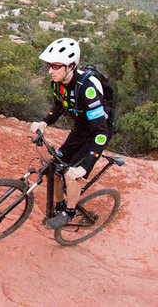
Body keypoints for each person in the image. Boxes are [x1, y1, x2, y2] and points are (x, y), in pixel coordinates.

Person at [30, 37, 112, 229]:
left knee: (71, 174)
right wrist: (44, 122)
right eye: (50, 66)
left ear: (71, 66)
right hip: (80, 130)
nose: (50, 71)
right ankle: (59, 205)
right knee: (54, 168)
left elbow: (101, 133)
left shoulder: (87, 88)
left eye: (56, 66)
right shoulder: (57, 83)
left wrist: (85, 166)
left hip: (97, 134)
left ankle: (70, 211)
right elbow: (58, 106)